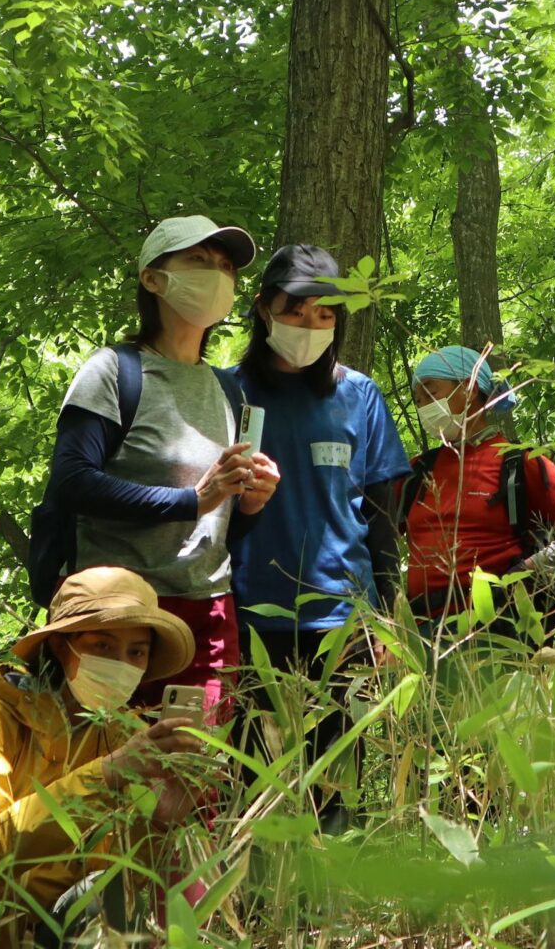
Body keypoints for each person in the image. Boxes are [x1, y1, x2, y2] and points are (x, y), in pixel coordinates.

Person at [42, 216, 280, 718]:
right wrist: (193, 500)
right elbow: (72, 480)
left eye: (224, 267)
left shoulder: (227, 389)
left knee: (197, 774)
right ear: (153, 278)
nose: (215, 275)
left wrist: (251, 502)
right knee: (101, 770)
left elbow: (219, 518)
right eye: (197, 261)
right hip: (116, 613)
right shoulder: (113, 371)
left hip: (209, 611)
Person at [221, 244, 411, 832]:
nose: (310, 326)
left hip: (341, 621)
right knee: (252, 779)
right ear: (263, 309)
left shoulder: (359, 395)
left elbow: (382, 515)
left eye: (326, 315)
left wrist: (384, 615)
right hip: (251, 612)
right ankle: (257, 904)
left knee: (335, 782)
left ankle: (328, 909)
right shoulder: (226, 394)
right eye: (297, 312)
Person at [0, 567, 207, 946]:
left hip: (53, 931)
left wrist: (158, 824)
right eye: (102, 646)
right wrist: (106, 774)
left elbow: (113, 882)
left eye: (136, 652)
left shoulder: (126, 737)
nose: (121, 663)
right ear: (60, 645)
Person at [403, 345, 555, 645]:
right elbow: (367, 532)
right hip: (420, 637)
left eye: (432, 393)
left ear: (469, 389)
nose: (424, 407)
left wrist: (527, 571)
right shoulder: (418, 471)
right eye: (418, 400)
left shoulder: (518, 461)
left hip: (499, 630)